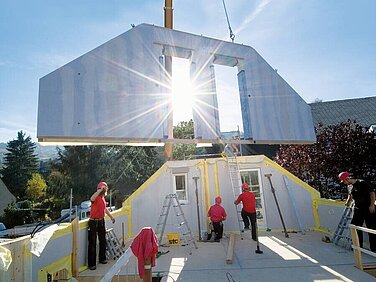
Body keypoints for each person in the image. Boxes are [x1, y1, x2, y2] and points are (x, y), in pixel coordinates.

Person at [338, 171, 376, 252]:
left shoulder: (362, 183)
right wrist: (347, 202)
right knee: (355, 227)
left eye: (344, 181)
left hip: (368, 208)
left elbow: (372, 193)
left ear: (347, 179)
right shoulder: (350, 186)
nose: (344, 183)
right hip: (358, 209)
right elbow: (350, 195)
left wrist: (372, 205)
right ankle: (358, 247)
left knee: (371, 228)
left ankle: (374, 249)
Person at [88, 181, 116, 270]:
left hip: (101, 221)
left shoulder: (103, 198)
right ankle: (92, 264)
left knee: (102, 241)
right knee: (92, 243)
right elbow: (91, 199)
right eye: (104, 188)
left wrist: (111, 217)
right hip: (93, 222)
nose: (105, 189)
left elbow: (105, 210)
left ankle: (102, 259)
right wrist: (100, 190)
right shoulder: (96, 197)